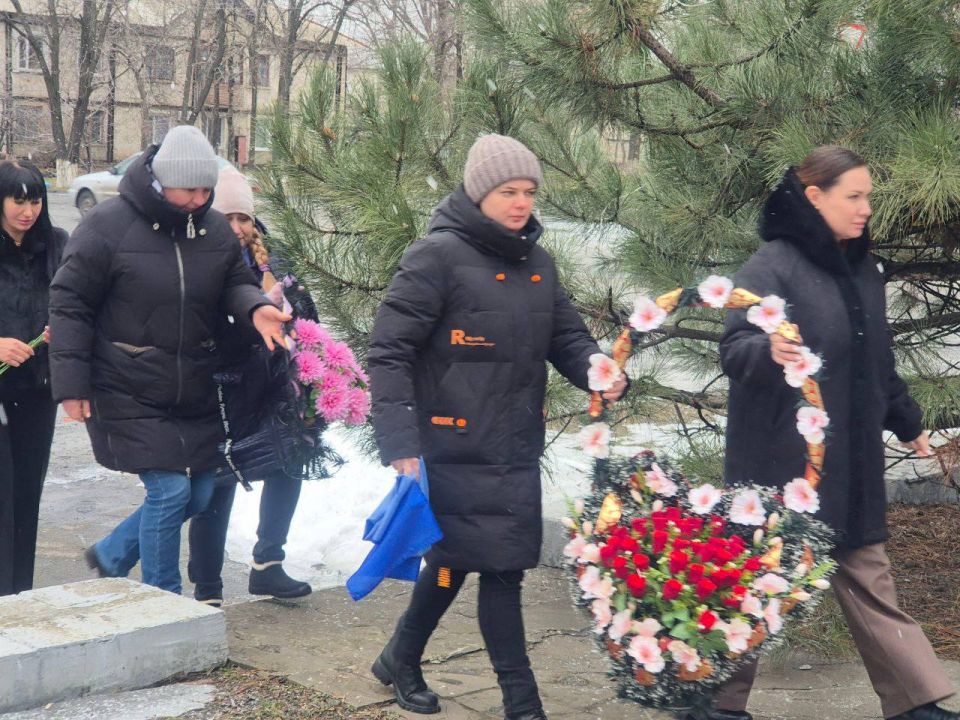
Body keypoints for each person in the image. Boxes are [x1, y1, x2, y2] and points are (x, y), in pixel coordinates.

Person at [367, 134, 626, 720]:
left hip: (513, 444)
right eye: (509, 191)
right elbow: (388, 352)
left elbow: (567, 336)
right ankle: (522, 705)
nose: (521, 203)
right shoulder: (435, 257)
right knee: (502, 570)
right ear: (479, 191)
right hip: (450, 443)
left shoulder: (538, 263)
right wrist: (400, 441)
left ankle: (400, 657)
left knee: (456, 560)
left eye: (529, 191)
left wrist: (598, 369)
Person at [710, 145, 956, 720]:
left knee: (868, 574)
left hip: (851, 463)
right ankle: (714, 701)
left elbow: (875, 361)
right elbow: (734, 349)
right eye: (855, 196)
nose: (866, 208)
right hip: (781, 465)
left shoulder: (862, 270)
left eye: (868, 196)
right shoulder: (771, 267)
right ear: (815, 197)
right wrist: (767, 351)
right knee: (757, 581)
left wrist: (907, 421)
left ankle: (914, 702)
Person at [49, 125, 290, 595]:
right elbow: (70, 302)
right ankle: (164, 600)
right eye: (190, 189)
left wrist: (255, 308)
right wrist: (71, 384)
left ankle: (114, 553)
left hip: (192, 386)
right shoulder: (107, 225)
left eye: (206, 190)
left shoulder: (212, 228)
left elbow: (234, 283)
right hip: (125, 381)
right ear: (162, 180)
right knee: (171, 491)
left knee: (200, 492)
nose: (199, 199)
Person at [187, 165, 315, 605]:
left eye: (243, 218)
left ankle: (269, 564)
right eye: (228, 218)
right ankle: (207, 587)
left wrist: (292, 316)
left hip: (272, 383)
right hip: (220, 387)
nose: (238, 227)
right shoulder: (198, 258)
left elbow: (308, 315)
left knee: (288, 464)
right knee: (218, 482)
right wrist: (251, 320)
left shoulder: (273, 259)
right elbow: (197, 329)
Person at [0, 160, 68, 596]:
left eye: (36, 200)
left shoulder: (57, 245)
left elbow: (77, 300)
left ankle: (19, 595)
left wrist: (64, 327)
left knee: (26, 495)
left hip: (38, 390)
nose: (28, 211)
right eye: (18, 200)